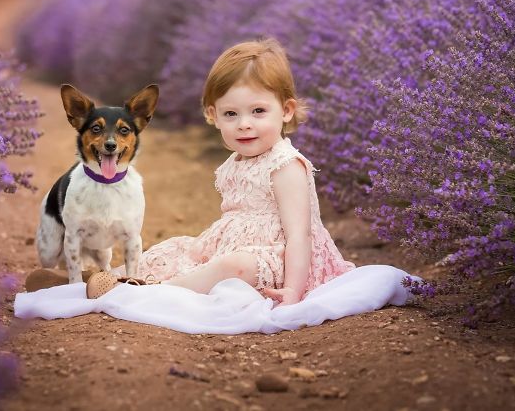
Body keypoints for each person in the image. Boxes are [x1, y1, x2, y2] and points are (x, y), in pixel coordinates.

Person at [84, 37, 356, 304]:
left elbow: (300, 235)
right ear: (213, 115)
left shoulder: (285, 166)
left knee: (234, 266)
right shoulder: (235, 162)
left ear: (286, 110)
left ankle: (153, 292)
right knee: (178, 251)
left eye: (258, 111)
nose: (244, 124)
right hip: (231, 247)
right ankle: (116, 278)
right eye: (230, 114)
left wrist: (293, 291)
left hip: (282, 263)